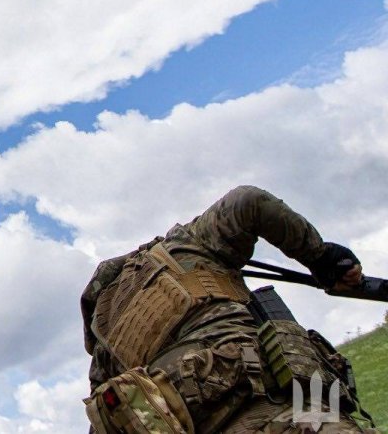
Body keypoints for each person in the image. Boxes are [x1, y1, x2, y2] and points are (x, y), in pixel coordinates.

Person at [80, 185, 377, 433]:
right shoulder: (183, 247)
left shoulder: (105, 345)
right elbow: (248, 201)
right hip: (284, 410)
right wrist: (322, 258)